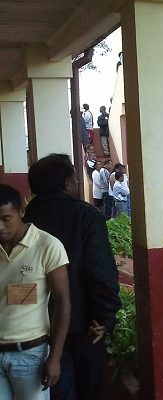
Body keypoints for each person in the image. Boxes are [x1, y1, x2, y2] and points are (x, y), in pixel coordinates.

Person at [24, 154, 121, 400]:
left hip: (38, 328)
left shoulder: (25, 222)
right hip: (84, 324)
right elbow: (100, 270)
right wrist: (106, 316)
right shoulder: (86, 216)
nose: (78, 182)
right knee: (87, 389)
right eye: (75, 178)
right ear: (67, 183)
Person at [0, 184, 70, 399]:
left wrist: (55, 357)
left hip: (30, 356)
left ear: (21, 211)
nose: (0, 227)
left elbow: (62, 301)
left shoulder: (47, 245)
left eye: (6, 219)